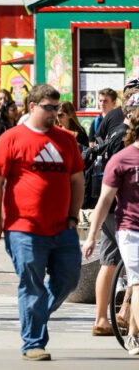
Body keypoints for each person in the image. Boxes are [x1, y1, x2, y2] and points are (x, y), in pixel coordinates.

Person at [0, 83, 84, 361]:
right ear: (32, 106)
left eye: (57, 107)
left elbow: (77, 179)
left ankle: (37, 314)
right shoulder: (12, 138)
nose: (55, 112)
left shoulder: (65, 139)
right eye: (49, 107)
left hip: (62, 227)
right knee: (31, 284)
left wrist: (74, 215)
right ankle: (33, 343)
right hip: (23, 228)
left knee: (69, 278)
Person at [83, 104, 139, 355]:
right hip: (130, 228)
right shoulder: (122, 159)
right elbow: (104, 200)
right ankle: (133, 336)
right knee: (137, 283)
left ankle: (127, 320)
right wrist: (91, 236)